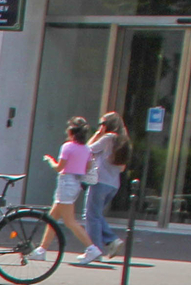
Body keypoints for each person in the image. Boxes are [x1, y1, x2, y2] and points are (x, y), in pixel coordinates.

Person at [34, 115, 95, 265]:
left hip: (65, 182)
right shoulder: (87, 149)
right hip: (75, 183)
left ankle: (92, 248)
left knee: (69, 221)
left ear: (72, 131)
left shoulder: (67, 147)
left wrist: (49, 160)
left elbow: (59, 167)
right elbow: (88, 167)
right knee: (52, 218)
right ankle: (41, 250)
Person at [78, 111, 129, 267]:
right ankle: (108, 242)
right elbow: (122, 168)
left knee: (91, 216)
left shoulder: (108, 138)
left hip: (99, 181)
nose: (100, 126)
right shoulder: (124, 141)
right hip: (113, 184)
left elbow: (85, 150)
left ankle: (97, 249)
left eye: (102, 123)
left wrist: (96, 135)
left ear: (107, 125)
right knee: (96, 214)